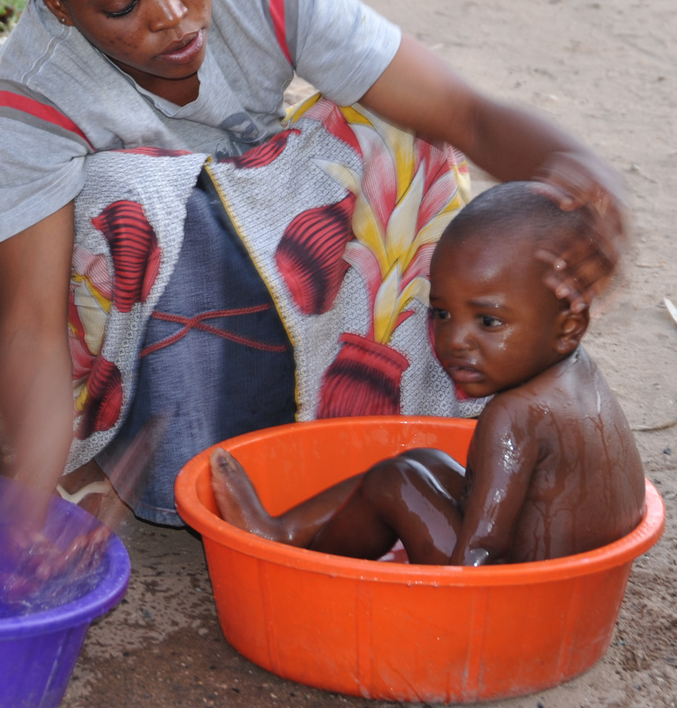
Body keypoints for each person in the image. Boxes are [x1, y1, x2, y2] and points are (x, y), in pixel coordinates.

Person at [0, 0, 629, 591]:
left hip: (224, 222)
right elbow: (32, 325)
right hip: (55, 284)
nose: (171, 13)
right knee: (132, 196)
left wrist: (577, 181)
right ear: (58, 4)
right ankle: (114, 445)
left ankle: (365, 425)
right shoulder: (24, 102)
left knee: (398, 137)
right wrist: (24, 502)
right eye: (122, 3)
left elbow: (463, 117)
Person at [208, 182, 646, 565]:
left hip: (519, 594)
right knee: (426, 461)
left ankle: (301, 562)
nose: (454, 340)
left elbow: (481, 551)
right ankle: (283, 532)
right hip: (576, 580)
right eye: (441, 313)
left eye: (489, 322)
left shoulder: (517, 414)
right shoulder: (577, 375)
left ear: (569, 326)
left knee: (396, 479)